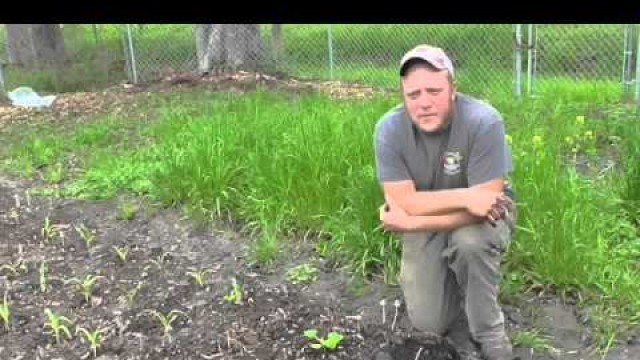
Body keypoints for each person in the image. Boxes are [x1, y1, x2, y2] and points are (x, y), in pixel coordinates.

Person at [374, 44, 517, 360]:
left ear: (453, 89)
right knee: (429, 322)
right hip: (435, 218)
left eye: (434, 91)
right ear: (403, 97)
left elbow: (488, 205)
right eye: (413, 95)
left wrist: (411, 222)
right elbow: (402, 202)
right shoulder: (389, 129)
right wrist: (466, 197)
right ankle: (451, 281)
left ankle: (488, 331)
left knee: (470, 243)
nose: (423, 102)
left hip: (482, 222)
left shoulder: (484, 121)